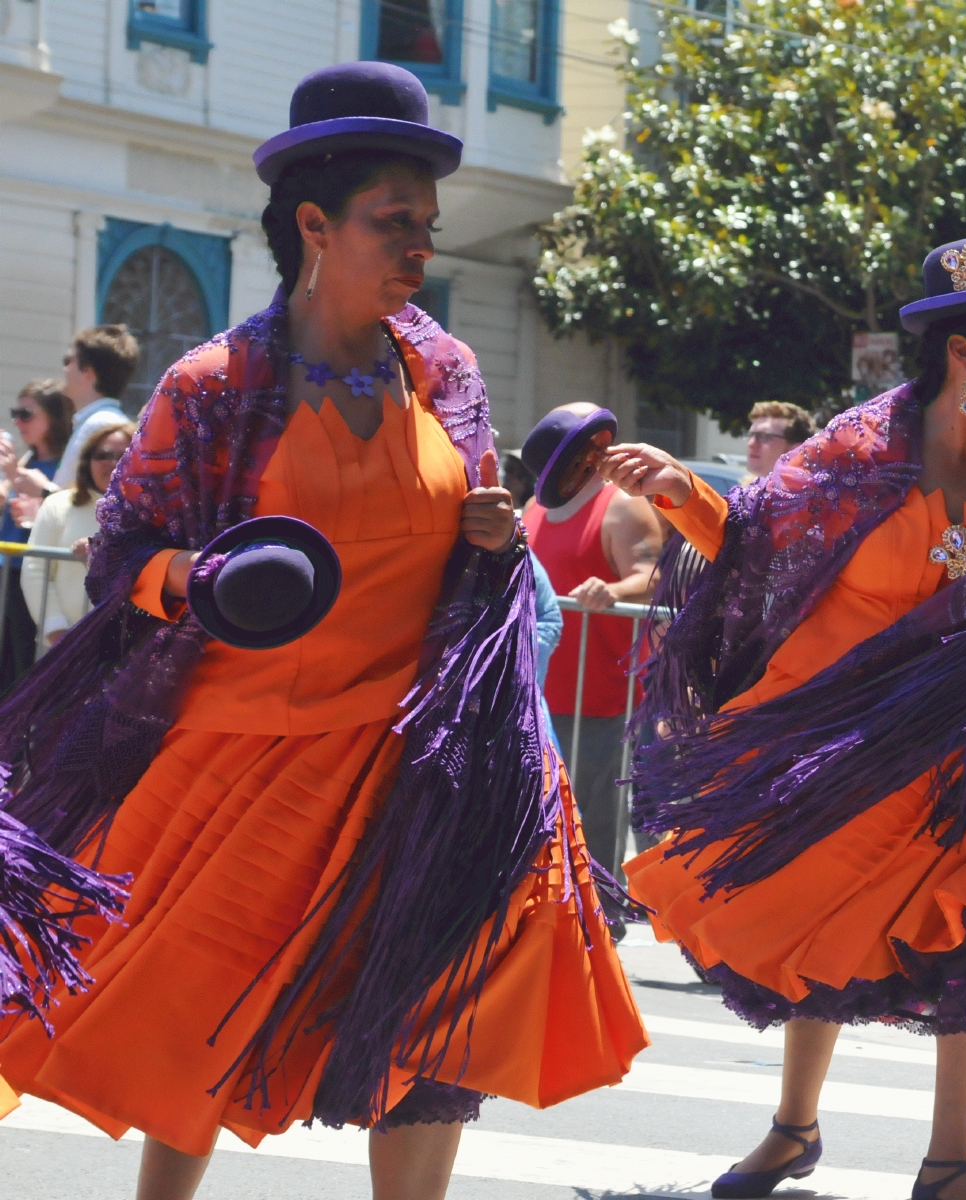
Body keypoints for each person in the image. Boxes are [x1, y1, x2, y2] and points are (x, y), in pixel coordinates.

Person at [0, 62, 645, 1198]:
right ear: (313, 223)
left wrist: (491, 535)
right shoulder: (215, 383)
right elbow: (118, 563)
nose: (419, 248)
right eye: (394, 223)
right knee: (193, 1021)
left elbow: (473, 521)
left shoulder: (441, 367)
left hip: (426, 753)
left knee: (439, 1020)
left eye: (427, 227)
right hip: (249, 758)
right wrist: (200, 579)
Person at [611, 233, 966, 1200]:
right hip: (841, 749)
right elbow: (754, 546)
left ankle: (949, 1164)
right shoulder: (855, 448)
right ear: (963, 354)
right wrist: (684, 496)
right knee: (823, 925)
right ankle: (792, 1129)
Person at [523, 402, 668, 886]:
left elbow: (651, 578)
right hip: (536, 691)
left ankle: (605, 913)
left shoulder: (622, 505)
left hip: (600, 697)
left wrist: (610, 592)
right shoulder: (533, 508)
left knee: (593, 817)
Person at [21, 420, 133, 646]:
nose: (113, 463)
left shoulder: (151, 511)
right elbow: (35, 571)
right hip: (64, 645)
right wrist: (57, 631)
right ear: (87, 461)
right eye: (103, 455)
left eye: (124, 455)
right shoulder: (58, 505)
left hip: (130, 646)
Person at [0, 381, 73, 689]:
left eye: (26, 413)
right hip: (8, 571)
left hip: (33, 577)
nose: (17, 421)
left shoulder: (65, 466)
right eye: (15, 413)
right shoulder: (27, 461)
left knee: (24, 663)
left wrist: (17, 477)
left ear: (54, 419)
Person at [53, 325, 138, 489]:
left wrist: (41, 490)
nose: (65, 369)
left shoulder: (100, 425)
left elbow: (82, 500)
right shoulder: (94, 421)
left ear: (88, 373)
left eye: (68, 361)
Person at [745, 400, 816, 481]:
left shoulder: (811, 492)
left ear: (796, 450)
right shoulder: (743, 491)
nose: (751, 443)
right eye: (750, 435)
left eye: (765, 437)